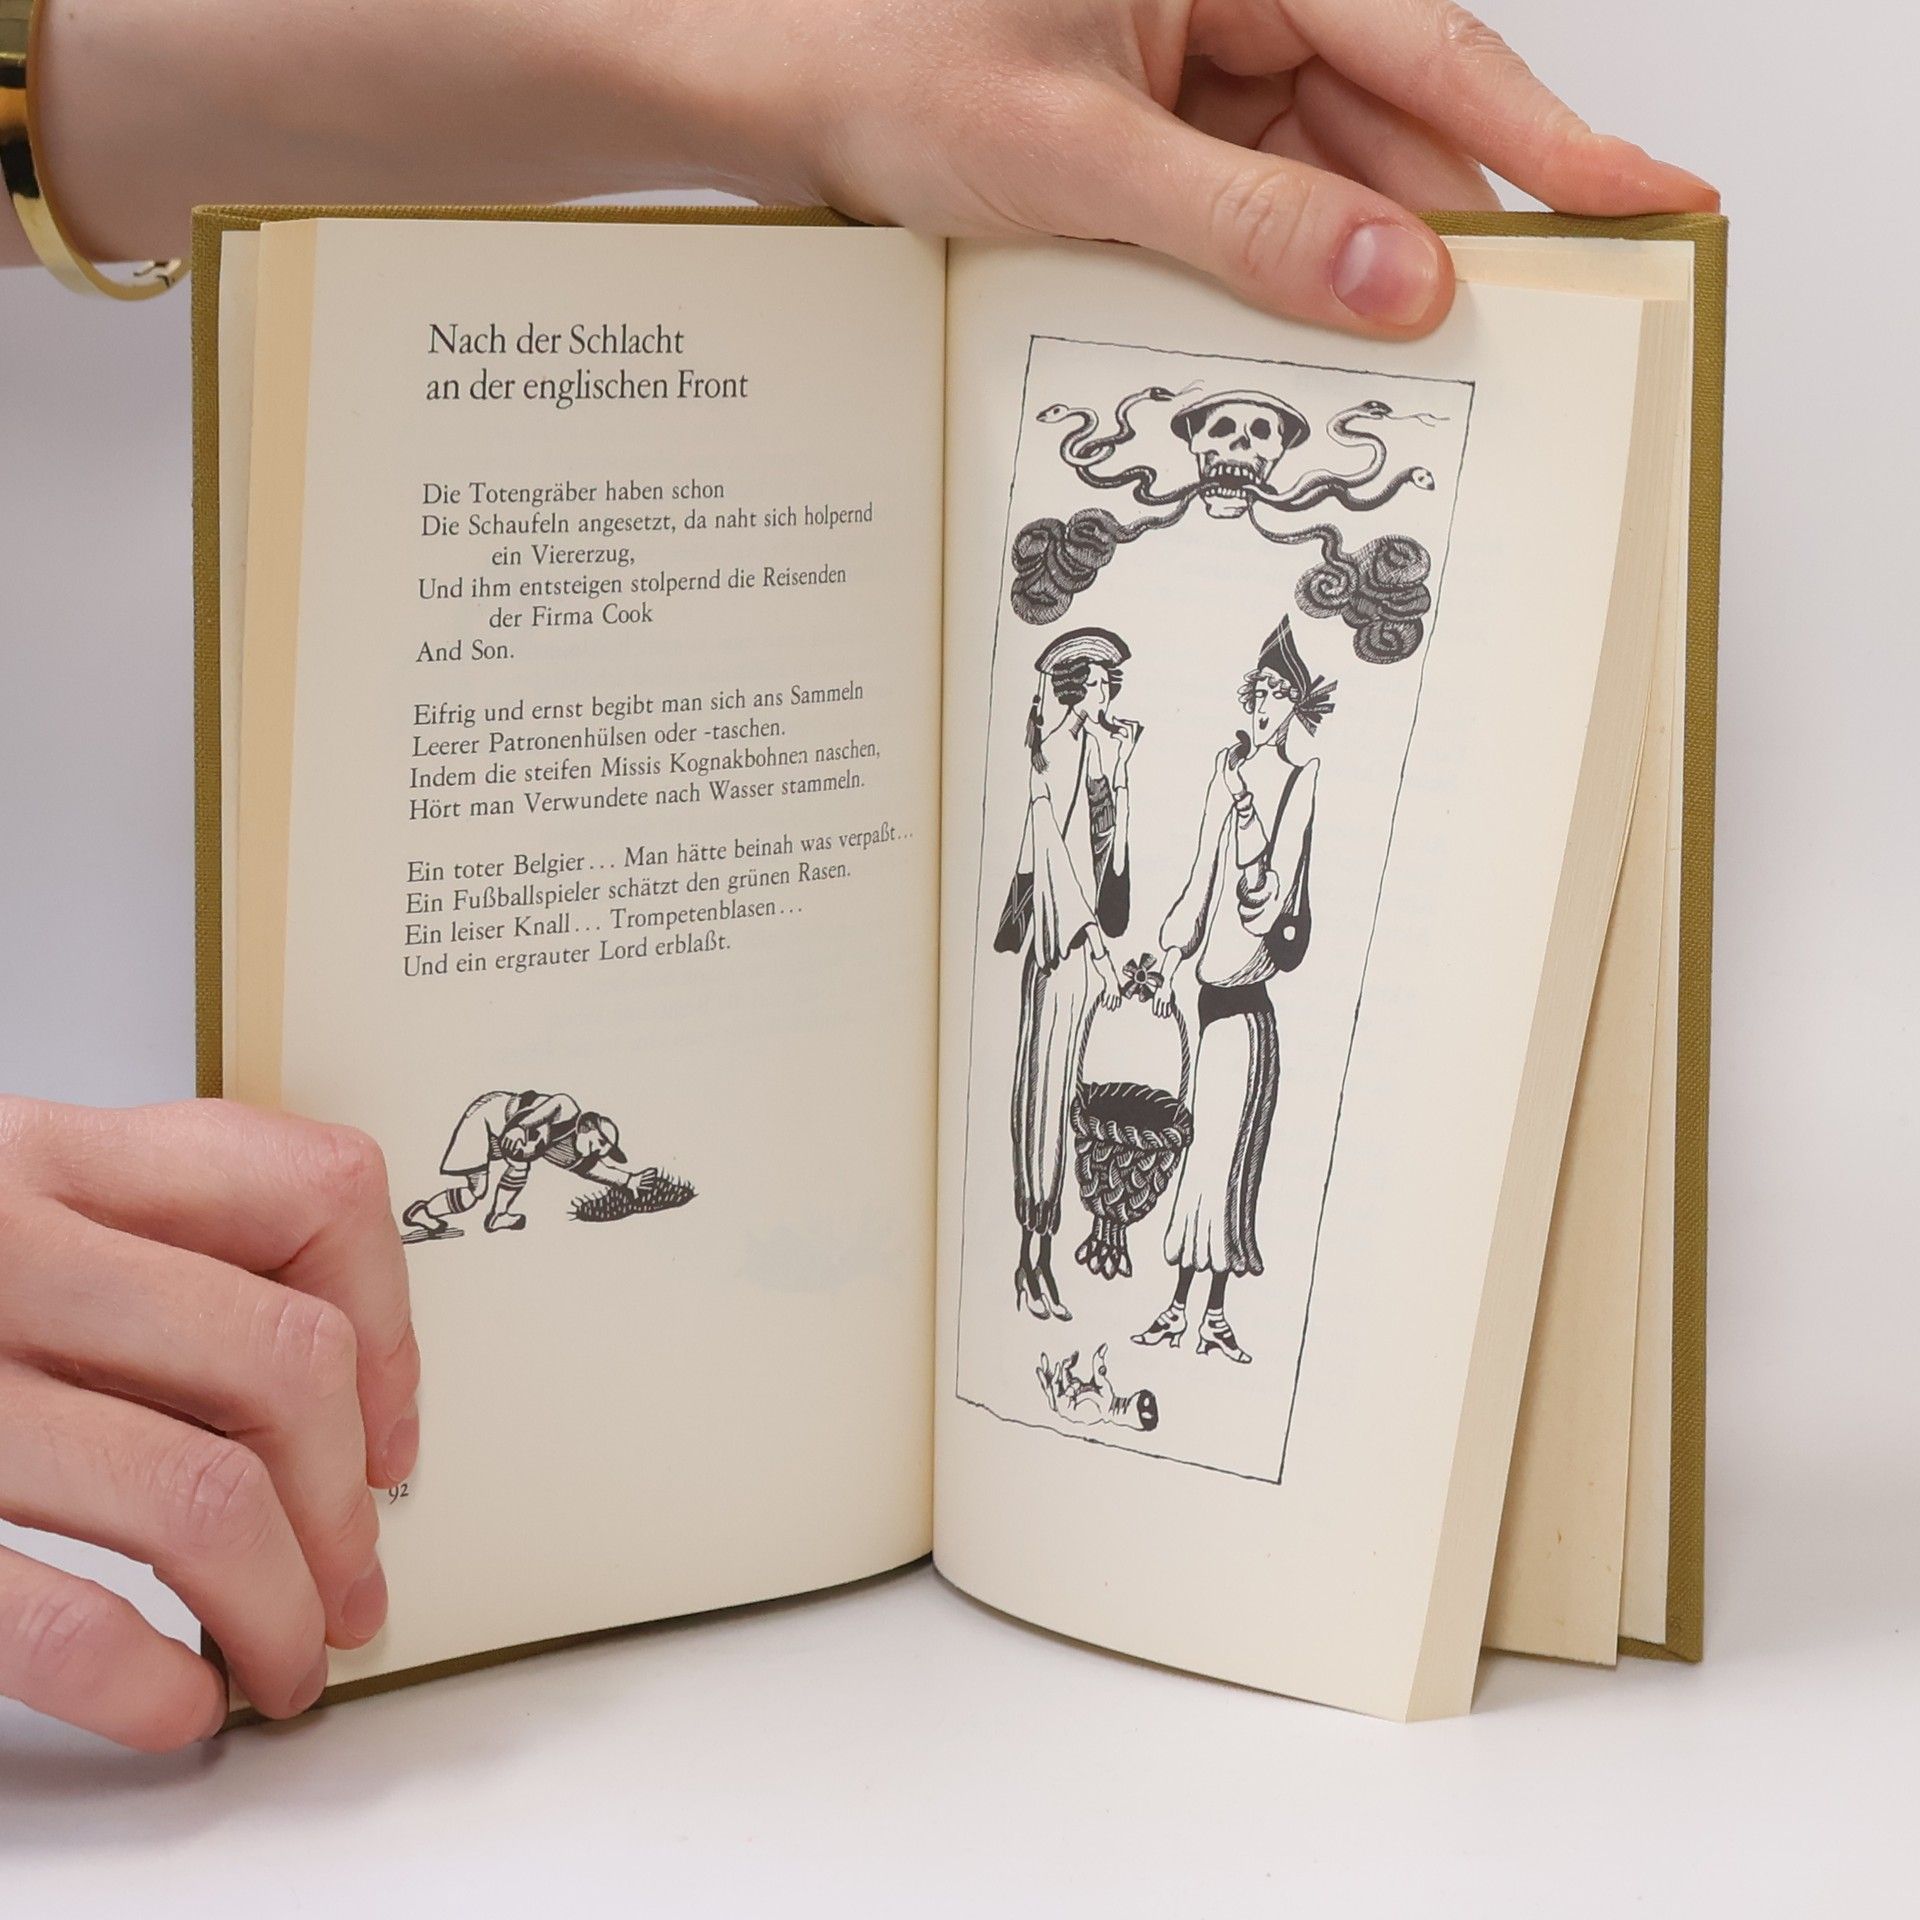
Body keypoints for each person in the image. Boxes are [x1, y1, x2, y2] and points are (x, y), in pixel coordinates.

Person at [0, 0, 1715, 1751]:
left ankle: (1176, 1295)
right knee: (1051, 1103)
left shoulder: (1204, 757)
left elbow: (1201, 882)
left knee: (1212, 1126)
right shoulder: (1089, 749)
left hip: (1169, 976)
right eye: (1097, 686)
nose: (1126, 705)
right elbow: (1071, 877)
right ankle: (1047, 1263)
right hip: (1083, 974)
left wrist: (750, 45)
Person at [1134, 617, 1334, 1363]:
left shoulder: (1299, 779)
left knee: (1227, 1164)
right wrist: (1168, 956)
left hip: (1248, 1011)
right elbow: (1200, 878)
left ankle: (1211, 1315)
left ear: (1297, 705)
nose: (1262, 705)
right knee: (1196, 1159)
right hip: (1205, 1003)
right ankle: (1177, 1308)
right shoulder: (1227, 769)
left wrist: (1246, 806)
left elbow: (1265, 898)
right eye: (1257, 691)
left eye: (1278, 694)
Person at [995, 628, 1140, 1319]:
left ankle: (1040, 1257)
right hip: (1061, 952)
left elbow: (1111, 866)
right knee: (1044, 1102)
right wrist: (1098, 951)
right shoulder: (1054, 752)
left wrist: (1122, 775)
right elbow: (1051, 862)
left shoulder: (1092, 753)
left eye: (1110, 686)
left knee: (1060, 1097)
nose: (1108, 698)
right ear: (1078, 690)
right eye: (1101, 686)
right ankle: (1033, 1257)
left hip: (1079, 950)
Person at [399, 1090, 633, 1240]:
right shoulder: (568, 1110)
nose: (600, 1151)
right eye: (601, 1142)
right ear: (588, 1126)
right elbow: (552, 1105)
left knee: (517, 1167)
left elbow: (589, 1170)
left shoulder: (567, 1150)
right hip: (488, 1118)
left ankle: (498, 1215)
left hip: (503, 1136)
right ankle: (424, 1212)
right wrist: (521, 1128)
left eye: (605, 1151)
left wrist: (628, 1180)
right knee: (477, 1191)